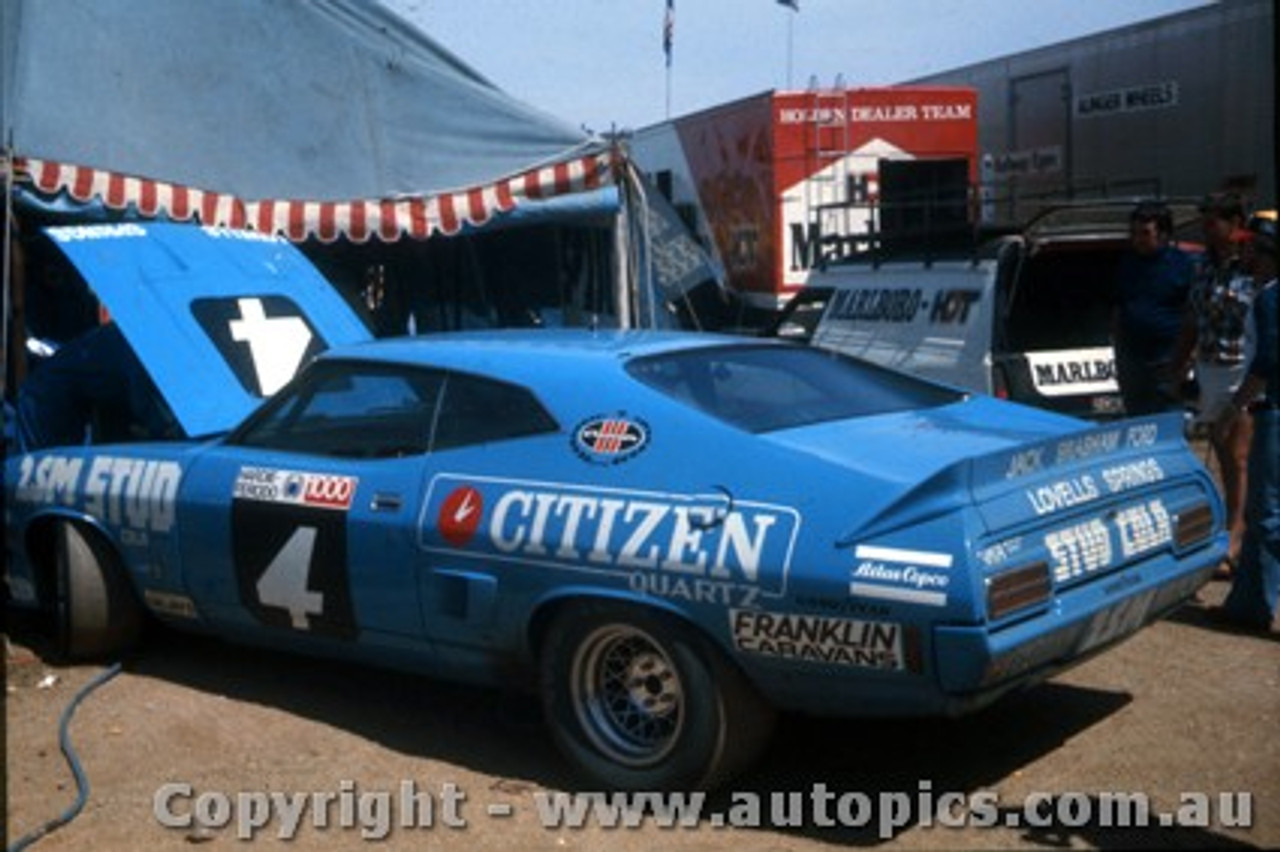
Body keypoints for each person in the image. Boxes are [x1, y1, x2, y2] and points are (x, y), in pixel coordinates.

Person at [1171, 192, 1255, 574]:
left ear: (1234, 223)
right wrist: (1179, 363)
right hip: (1210, 366)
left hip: (1243, 366)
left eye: (1212, 222)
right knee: (1222, 451)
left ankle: (1237, 534)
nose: (1206, 229)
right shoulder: (1205, 264)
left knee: (1238, 455)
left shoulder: (1252, 264)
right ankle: (1234, 524)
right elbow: (1193, 317)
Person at [1212, 212, 1278, 632]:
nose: (1244, 254)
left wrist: (1234, 405)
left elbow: (1269, 359)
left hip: (1274, 410)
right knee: (1259, 511)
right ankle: (1248, 602)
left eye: (1251, 248)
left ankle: (1265, 604)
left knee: (1269, 513)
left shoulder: (1271, 296)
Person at [1111, 200, 1195, 416]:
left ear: (1164, 234)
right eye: (1135, 233)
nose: (1138, 239)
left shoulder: (1183, 266)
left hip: (1167, 359)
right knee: (1137, 421)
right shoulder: (1127, 264)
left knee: (1166, 418)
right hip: (1132, 361)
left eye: (1145, 233)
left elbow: (1193, 314)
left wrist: (1185, 362)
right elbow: (1120, 308)